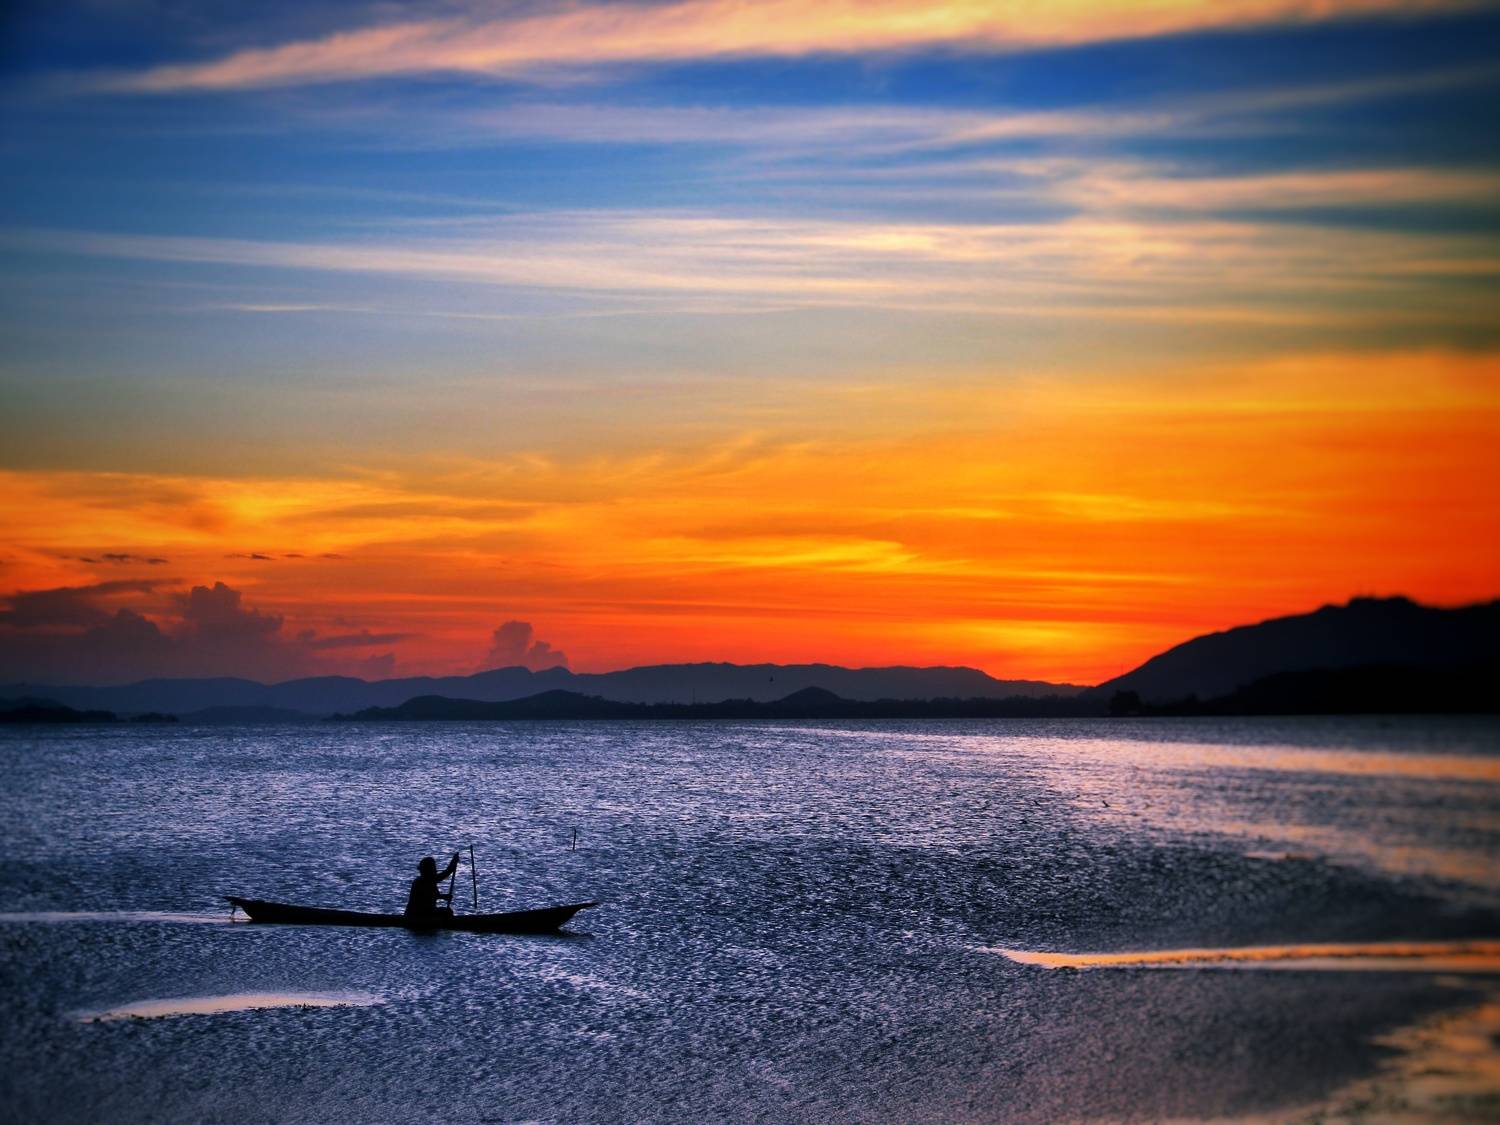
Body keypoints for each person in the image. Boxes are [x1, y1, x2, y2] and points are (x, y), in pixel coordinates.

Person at [404, 852, 460, 920]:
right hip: (418, 914)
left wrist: (454, 862)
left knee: (447, 912)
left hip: (426, 912)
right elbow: (430, 895)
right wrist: (444, 897)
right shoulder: (420, 882)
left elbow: (446, 873)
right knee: (447, 912)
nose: (435, 870)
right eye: (433, 868)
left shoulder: (430, 880)